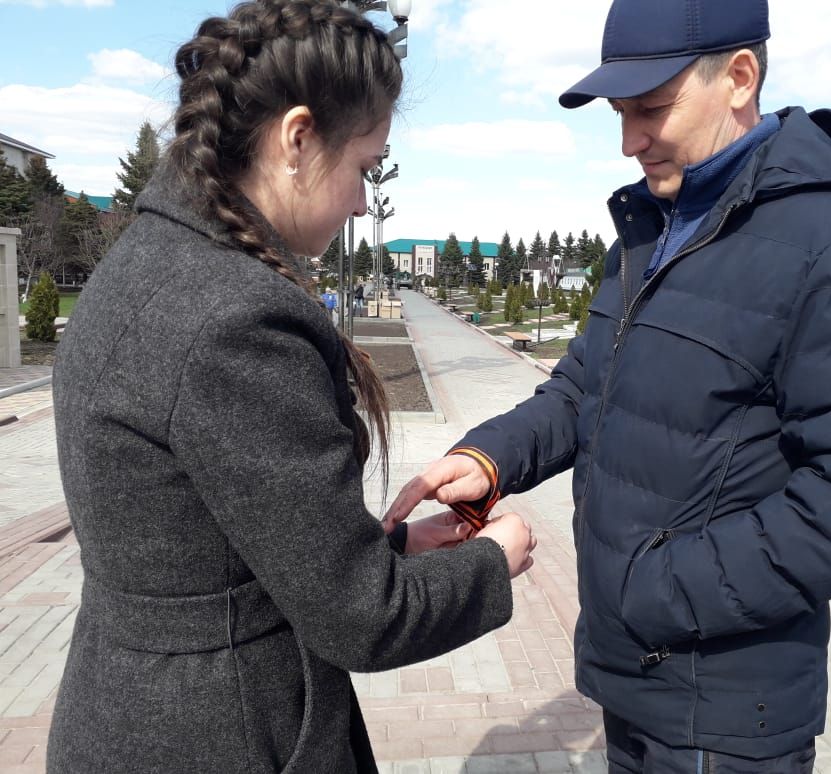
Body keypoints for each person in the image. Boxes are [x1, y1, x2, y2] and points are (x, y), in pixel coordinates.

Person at [384, 0, 831, 771]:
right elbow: (582, 388)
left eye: (651, 109)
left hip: (723, 714)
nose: (629, 141)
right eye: (620, 114)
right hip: (631, 677)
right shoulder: (649, 231)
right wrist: (490, 458)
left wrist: (662, 590)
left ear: (739, 78)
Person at [48, 2, 535, 772]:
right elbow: (362, 620)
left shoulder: (153, 259)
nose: (364, 200)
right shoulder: (237, 319)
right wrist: (492, 562)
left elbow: (215, 542)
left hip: (131, 712)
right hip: (225, 734)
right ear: (298, 139)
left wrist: (395, 545)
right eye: (365, 167)